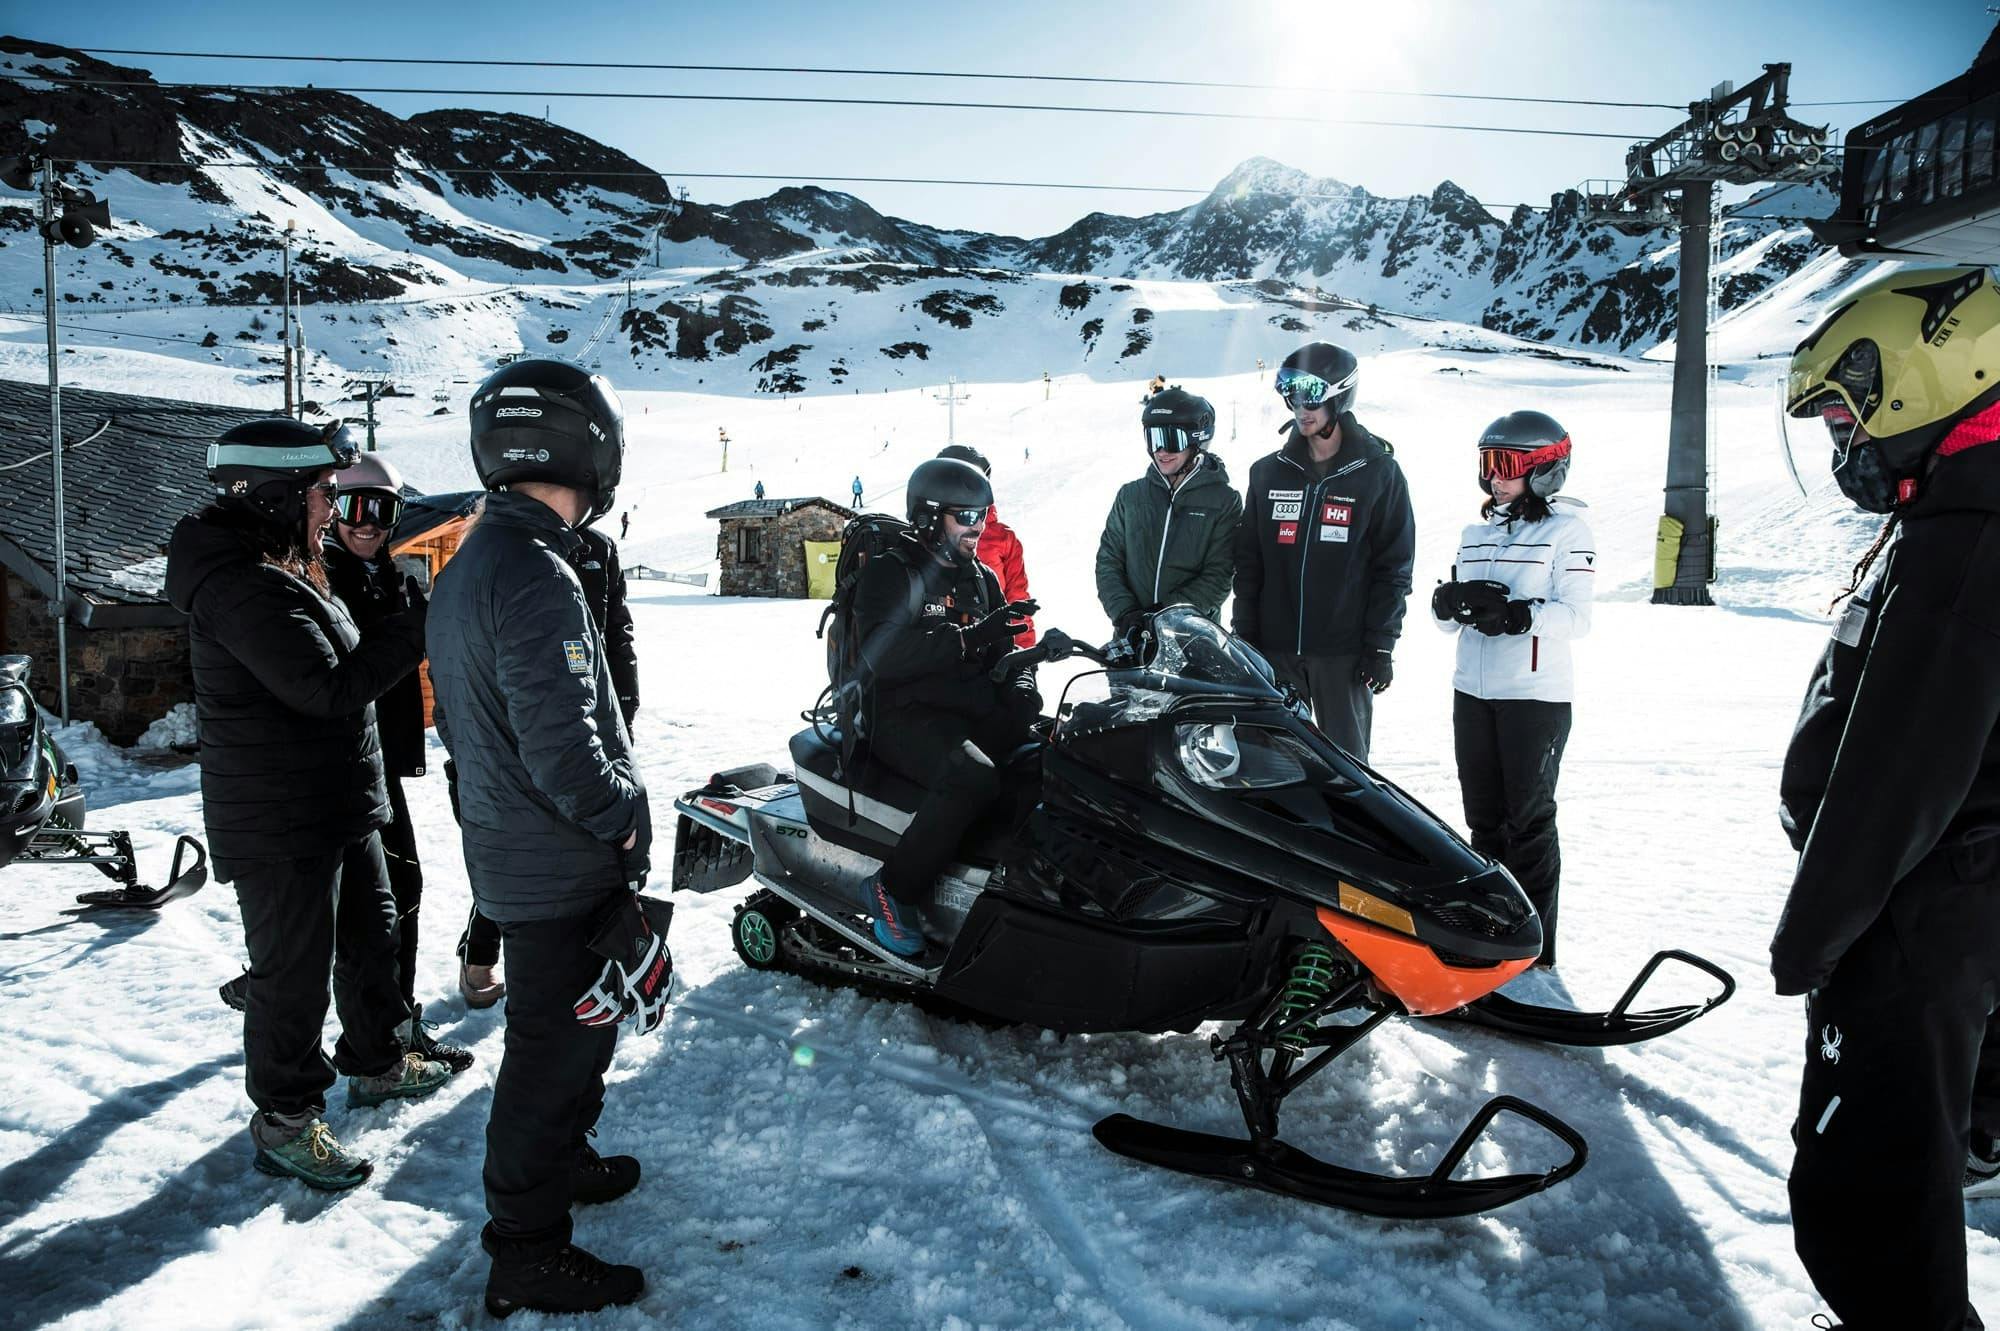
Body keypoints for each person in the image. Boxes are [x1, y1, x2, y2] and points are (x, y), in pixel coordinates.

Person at [1770, 265, 2000, 1331]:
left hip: (1916, 905)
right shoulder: (1955, 508)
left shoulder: (1966, 539)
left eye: (1842, 413)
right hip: (1948, 897)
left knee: (1863, 1169)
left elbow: (1898, 763)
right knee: (1913, 1149)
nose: (1839, 444)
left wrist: (1814, 929)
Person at [165, 418, 453, 1192]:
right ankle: (286, 1118)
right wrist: (416, 628)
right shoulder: (239, 584)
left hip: (332, 800)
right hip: (280, 818)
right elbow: (326, 689)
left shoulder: (284, 562)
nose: (332, 506)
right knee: (292, 973)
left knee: (373, 931)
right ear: (275, 494)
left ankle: (377, 1061)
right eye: (324, 492)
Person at [428, 359, 656, 1317]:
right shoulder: (534, 572)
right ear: (586, 447)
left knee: (568, 1042)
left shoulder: (482, 557)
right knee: (546, 1055)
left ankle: (559, 1165)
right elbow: (568, 752)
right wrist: (626, 822)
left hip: (520, 851)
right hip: (556, 861)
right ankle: (526, 1245)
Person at [849, 457, 1038, 957]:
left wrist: (1024, 678)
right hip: (899, 718)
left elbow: (1006, 653)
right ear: (931, 516)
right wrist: (967, 637)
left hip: (963, 711)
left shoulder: (982, 579)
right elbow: (880, 657)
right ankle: (894, 889)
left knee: (1048, 760)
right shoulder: (895, 574)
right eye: (965, 516)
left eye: (982, 515)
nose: (978, 527)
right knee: (973, 775)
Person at [322, 453, 473, 1072]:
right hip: (343, 768)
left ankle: (392, 1024)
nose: (368, 523)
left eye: (382, 509)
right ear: (333, 512)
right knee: (371, 908)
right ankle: (374, 1041)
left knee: (398, 893)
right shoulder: (322, 580)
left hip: (380, 760)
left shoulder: (392, 577)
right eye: (355, 508)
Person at [1430, 411, 1593, 970]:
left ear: (1546, 470)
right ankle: (1491, 932)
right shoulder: (1474, 534)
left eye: (1508, 466)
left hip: (1535, 697)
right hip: (1472, 693)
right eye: (1488, 464)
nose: (1495, 477)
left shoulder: (1567, 533)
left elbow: (1577, 617)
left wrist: (1520, 616)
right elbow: (1451, 622)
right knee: (1482, 819)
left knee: (1527, 820)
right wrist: (1446, 605)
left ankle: (1537, 948)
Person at [456, 514, 641, 1006]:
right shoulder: (513, 551)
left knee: (586, 858)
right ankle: (481, 956)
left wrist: (623, 709)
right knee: (521, 851)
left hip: (587, 720)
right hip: (525, 728)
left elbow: (616, 632)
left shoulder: (598, 549)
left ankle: (594, 971)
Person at [1232, 341, 1415, 761]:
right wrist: (1245, 636)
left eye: (1311, 394)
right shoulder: (1268, 472)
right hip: (1273, 652)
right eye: (1292, 394)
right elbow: (1249, 562)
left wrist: (1380, 645)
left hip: (1342, 655)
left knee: (1345, 771)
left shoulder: (1377, 473)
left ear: (1340, 393)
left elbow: (1394, 568)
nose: (1300, 407)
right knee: (1270, 765)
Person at [1095, 387, 1242, 643]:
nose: (1161, 450)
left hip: (1192, 642)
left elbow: (1218, 576)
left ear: (1197, 440)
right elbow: (1109, 562)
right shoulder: (1131, 496)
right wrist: (1126, 614)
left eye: (1171, 439)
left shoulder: (1223, 501)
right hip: (1130, 640)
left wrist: (1162, 617)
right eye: (1153, 439)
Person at [938, 443, 1037, 646]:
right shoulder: (926, 535)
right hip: (940, 650)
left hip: (991, 651)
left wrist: (1024, 655)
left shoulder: (1003, 538)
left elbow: (1017, 601)